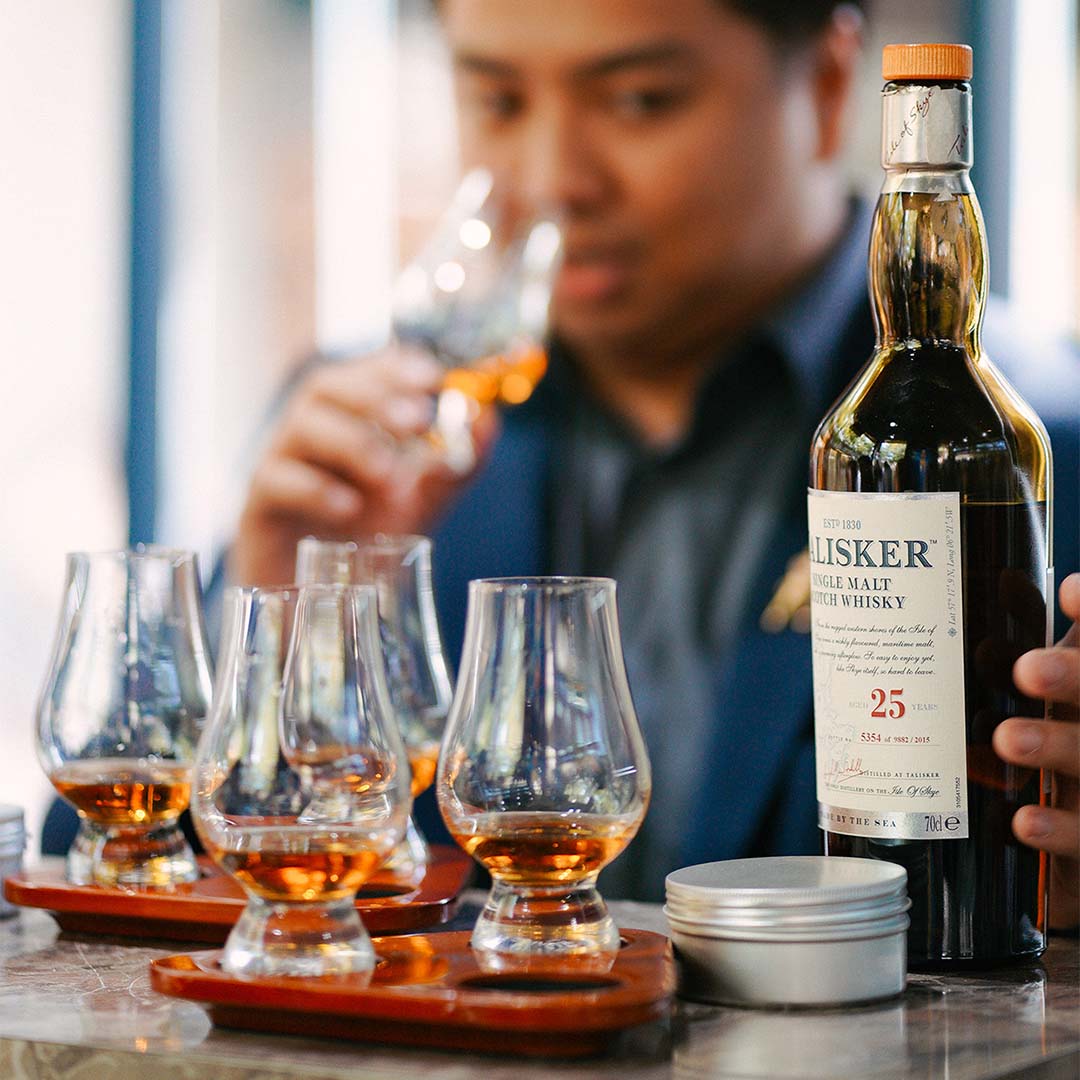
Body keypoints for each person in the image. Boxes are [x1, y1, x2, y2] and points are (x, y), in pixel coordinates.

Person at [228, 0, 1079, 916]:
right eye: (500, 100)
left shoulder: (1034, 453)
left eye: (639, 100)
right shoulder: (370, 446)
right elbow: (160, 899)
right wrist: (277, 653)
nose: (555, 179)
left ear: (830, 84)